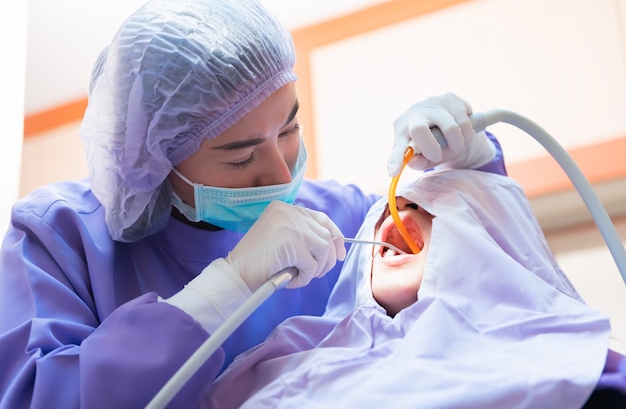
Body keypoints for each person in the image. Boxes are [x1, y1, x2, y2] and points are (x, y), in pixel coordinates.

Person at [0, 0, 504, 407]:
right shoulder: (60, 237)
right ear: (151, 159)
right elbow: (32, 398)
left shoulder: (343, 215)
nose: (283, 172)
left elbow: (488, 277)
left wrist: (470, 170)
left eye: (290, 129)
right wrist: (224, 290)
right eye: (240, 158)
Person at [203, 168, 626, 409]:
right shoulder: (283, 368)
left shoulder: (576, 368)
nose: (399, 207)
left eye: (428, 206)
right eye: (388, 207)